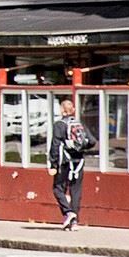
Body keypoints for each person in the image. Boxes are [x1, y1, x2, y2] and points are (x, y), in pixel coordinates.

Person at [47, 96, 95, 230]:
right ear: (72, 110)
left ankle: (68, 213)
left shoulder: (59, 125)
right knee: (76, 191)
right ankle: (74, 222)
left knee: (58, 189)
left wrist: (53, 164)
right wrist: (79, 149)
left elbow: (55, 145)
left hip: (65, 163)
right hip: (79, 162)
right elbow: (92, 141)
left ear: (62, 110)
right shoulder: (79, 124)